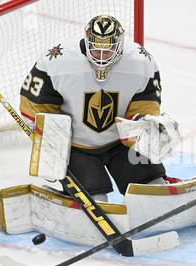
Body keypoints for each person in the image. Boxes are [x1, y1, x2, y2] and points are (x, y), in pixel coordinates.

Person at [19, 15, 177, 202]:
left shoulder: (141, 61)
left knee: (153, 190)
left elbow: (145, 104)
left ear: (119, 46)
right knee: (97, 202)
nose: (101, 58)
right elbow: (34, 105)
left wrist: (141, 124)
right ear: (87, 43)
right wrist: (52, 141)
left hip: (120, 144)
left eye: (108, 51)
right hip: (76, 147)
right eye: (95, 51)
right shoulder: (57, 61)